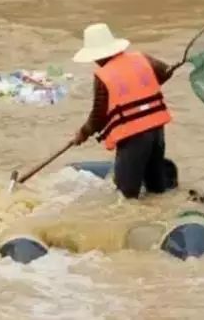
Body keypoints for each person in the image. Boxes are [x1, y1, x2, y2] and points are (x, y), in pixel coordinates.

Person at [70, 23, 178, 199]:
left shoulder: (103, 75)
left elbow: (98, 115)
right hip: (156, 130)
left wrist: (83, 133)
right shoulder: (141, 58)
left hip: (133, 137)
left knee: (126, 193)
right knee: (156, 187)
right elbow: (165, 72)